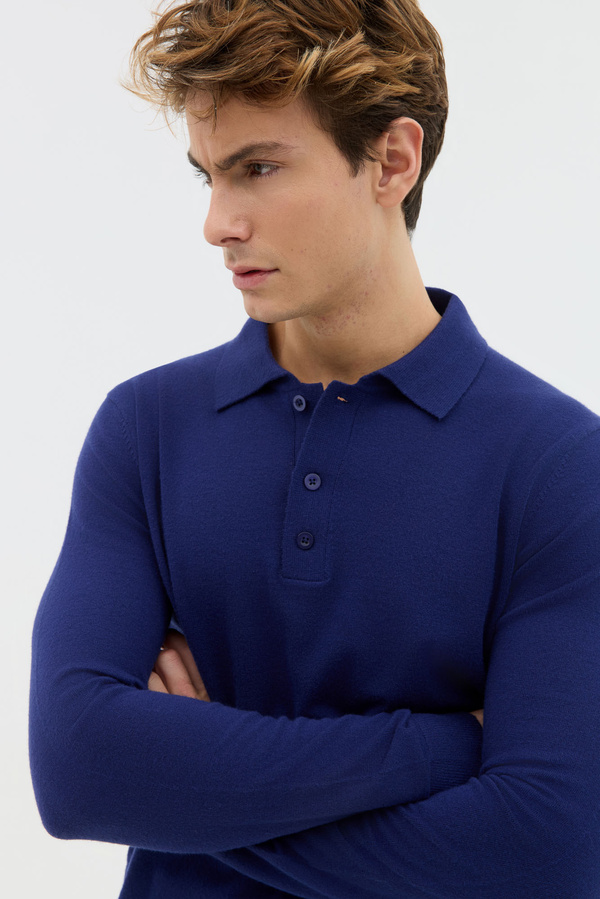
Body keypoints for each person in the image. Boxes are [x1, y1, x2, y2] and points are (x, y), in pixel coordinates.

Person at [29, 1, 600, 896]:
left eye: (257, 168)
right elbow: (78, 771)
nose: (218, 223)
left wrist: (184, 800)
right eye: (208, 175)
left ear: (393, 161)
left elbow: (543, 852)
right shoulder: (144, 429)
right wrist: (446, 742)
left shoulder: (559, 463)